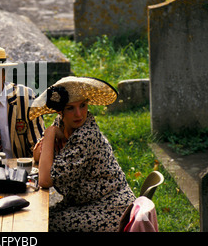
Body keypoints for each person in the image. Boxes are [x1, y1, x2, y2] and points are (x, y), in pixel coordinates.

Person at [29, 76, 136, 232]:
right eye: (71, 108)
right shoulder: (62, 123)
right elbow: (37, 155)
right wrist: (49, 142)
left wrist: (50, 133)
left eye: (83, 105)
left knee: (42, 224)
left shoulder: (86, 135)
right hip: (85, 204)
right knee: (38, 216)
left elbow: (45, 180)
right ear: (61, 111)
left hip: (112, 209)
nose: (78, 114)